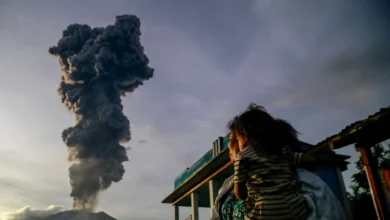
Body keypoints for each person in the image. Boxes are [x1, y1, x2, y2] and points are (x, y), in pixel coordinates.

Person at [230, 103, 310, 220]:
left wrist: (247, 197)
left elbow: (240, 194)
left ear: (245, 134)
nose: (237, 141)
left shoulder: (243, 157)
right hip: (295, 207)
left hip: (265, 211)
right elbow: (303, 158)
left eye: (238, 137)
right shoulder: (282, 150)